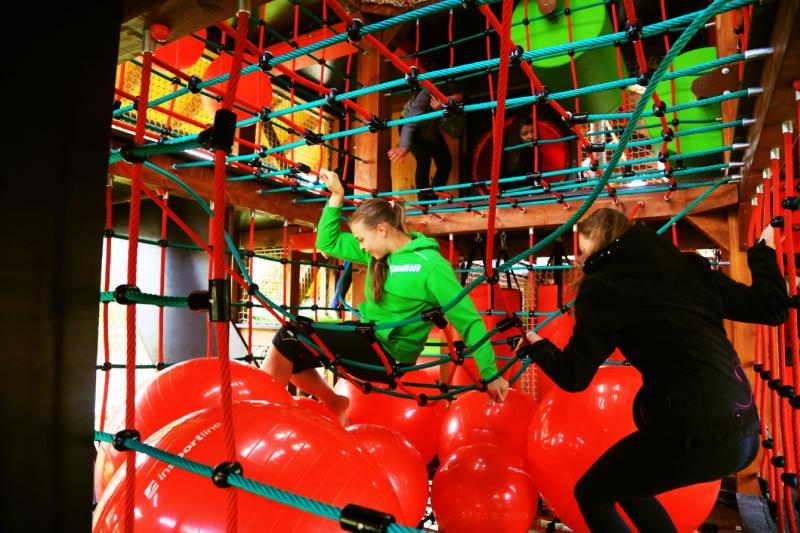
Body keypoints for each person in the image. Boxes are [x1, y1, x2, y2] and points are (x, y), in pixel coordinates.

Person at [517, 208, 788, 532]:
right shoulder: (688, 268)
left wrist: (536, 345)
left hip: (697, 434)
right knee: (629, 486)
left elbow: (573, 376)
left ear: (596, 245)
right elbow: (771, 307)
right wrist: (762, 253)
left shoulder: (604, 287)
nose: (580, 259)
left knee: (591, 493)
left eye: (584, 250)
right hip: (745, 433)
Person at [263, 169, 509, 425]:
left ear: (381, 229)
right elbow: (327, 243)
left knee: (289, 336)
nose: (361, 245)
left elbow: (469, 321)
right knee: (293, 345)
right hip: (367, 337)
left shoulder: (430, 265)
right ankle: (333, 401)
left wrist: (491, 373)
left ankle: (263, 415)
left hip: (389, 356)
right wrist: (336, 197)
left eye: (361, 239)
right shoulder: (376, 256)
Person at [387, 82, 464, 203]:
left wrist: (441, 111)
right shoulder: (426, 94)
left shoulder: (458, 105)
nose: (452, 104)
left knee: (445, 162)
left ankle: (431, 201)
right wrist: (403, 146)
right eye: (449, 101)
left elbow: (455, 132)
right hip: (410, 124)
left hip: (431, 127)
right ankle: (424, 203)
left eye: (455, 102)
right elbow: (410, 123)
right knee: (424, 158)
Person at [500, 114, 536, 190]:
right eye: (524, 134)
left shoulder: (533, 148)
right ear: (517, 136)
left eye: (533, 131)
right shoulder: (507, 152)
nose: (531, 136)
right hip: (513, 191)